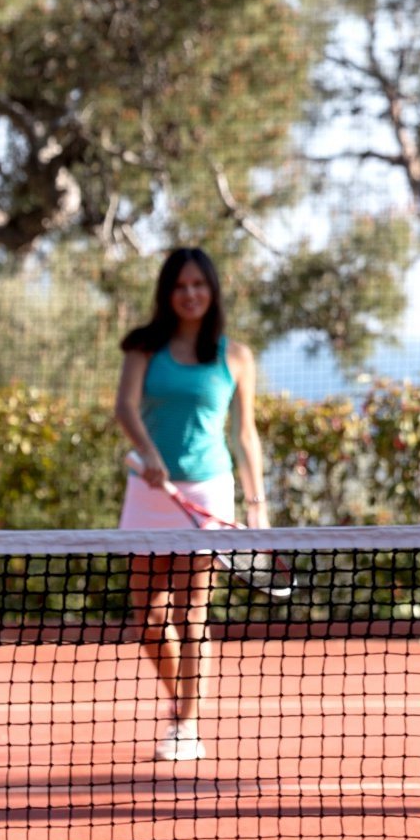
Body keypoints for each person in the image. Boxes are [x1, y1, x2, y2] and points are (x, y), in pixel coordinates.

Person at [114, 247, 269, 762]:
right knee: (149, 621)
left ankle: (186, 722)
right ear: (168, 293)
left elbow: (246, 435)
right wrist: (151, 455)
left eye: (199, 284)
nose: (190, 294)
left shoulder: (237, 357)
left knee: (192, 612)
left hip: (208, 494)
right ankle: (182, 700)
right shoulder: (142, 348)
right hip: (149, 496)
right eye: (180, 286)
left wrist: (257, 504)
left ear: (212, 290)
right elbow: (125, 407)